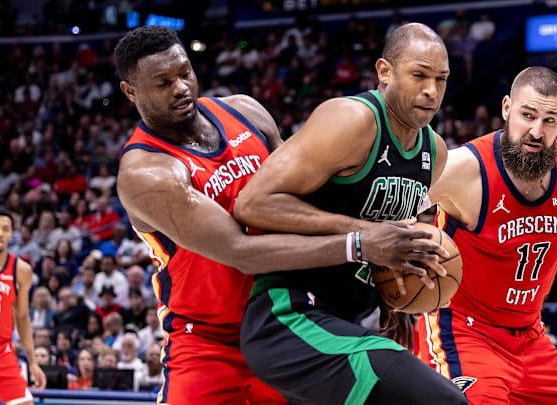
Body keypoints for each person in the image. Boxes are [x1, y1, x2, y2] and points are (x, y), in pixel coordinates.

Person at [114, 25, 444, 405]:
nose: (181, 87)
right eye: (162, 82)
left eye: (185, 72)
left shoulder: (246, 111)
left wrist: (380, 283)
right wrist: (362, 243)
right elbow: (240, 251)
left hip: (293, 317)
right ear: (131, 92)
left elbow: (312, 204)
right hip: (207, 341)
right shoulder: (146, 172)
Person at [234, 23, 466, 404]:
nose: (431, 91)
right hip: (290, 317)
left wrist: (394, 301)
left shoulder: (434, 152)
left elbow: (387, 241)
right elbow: (253, 203)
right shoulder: (351, 120)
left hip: (349, 322)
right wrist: (362, 236)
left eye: (441, 79)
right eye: (419, 75)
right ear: (384, 71)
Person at [419, 67, 557, 403]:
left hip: (530, 336)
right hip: (461, 329)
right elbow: (384, 213)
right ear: (507, 108)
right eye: (527, 115)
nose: (536, 131)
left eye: (549, 120)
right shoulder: (463, 168)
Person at [0, 209, 46, 404]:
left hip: (1, 353)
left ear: (11, 234)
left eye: (5, 229)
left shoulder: (21, 270)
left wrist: (32, 362)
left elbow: (23, 317)